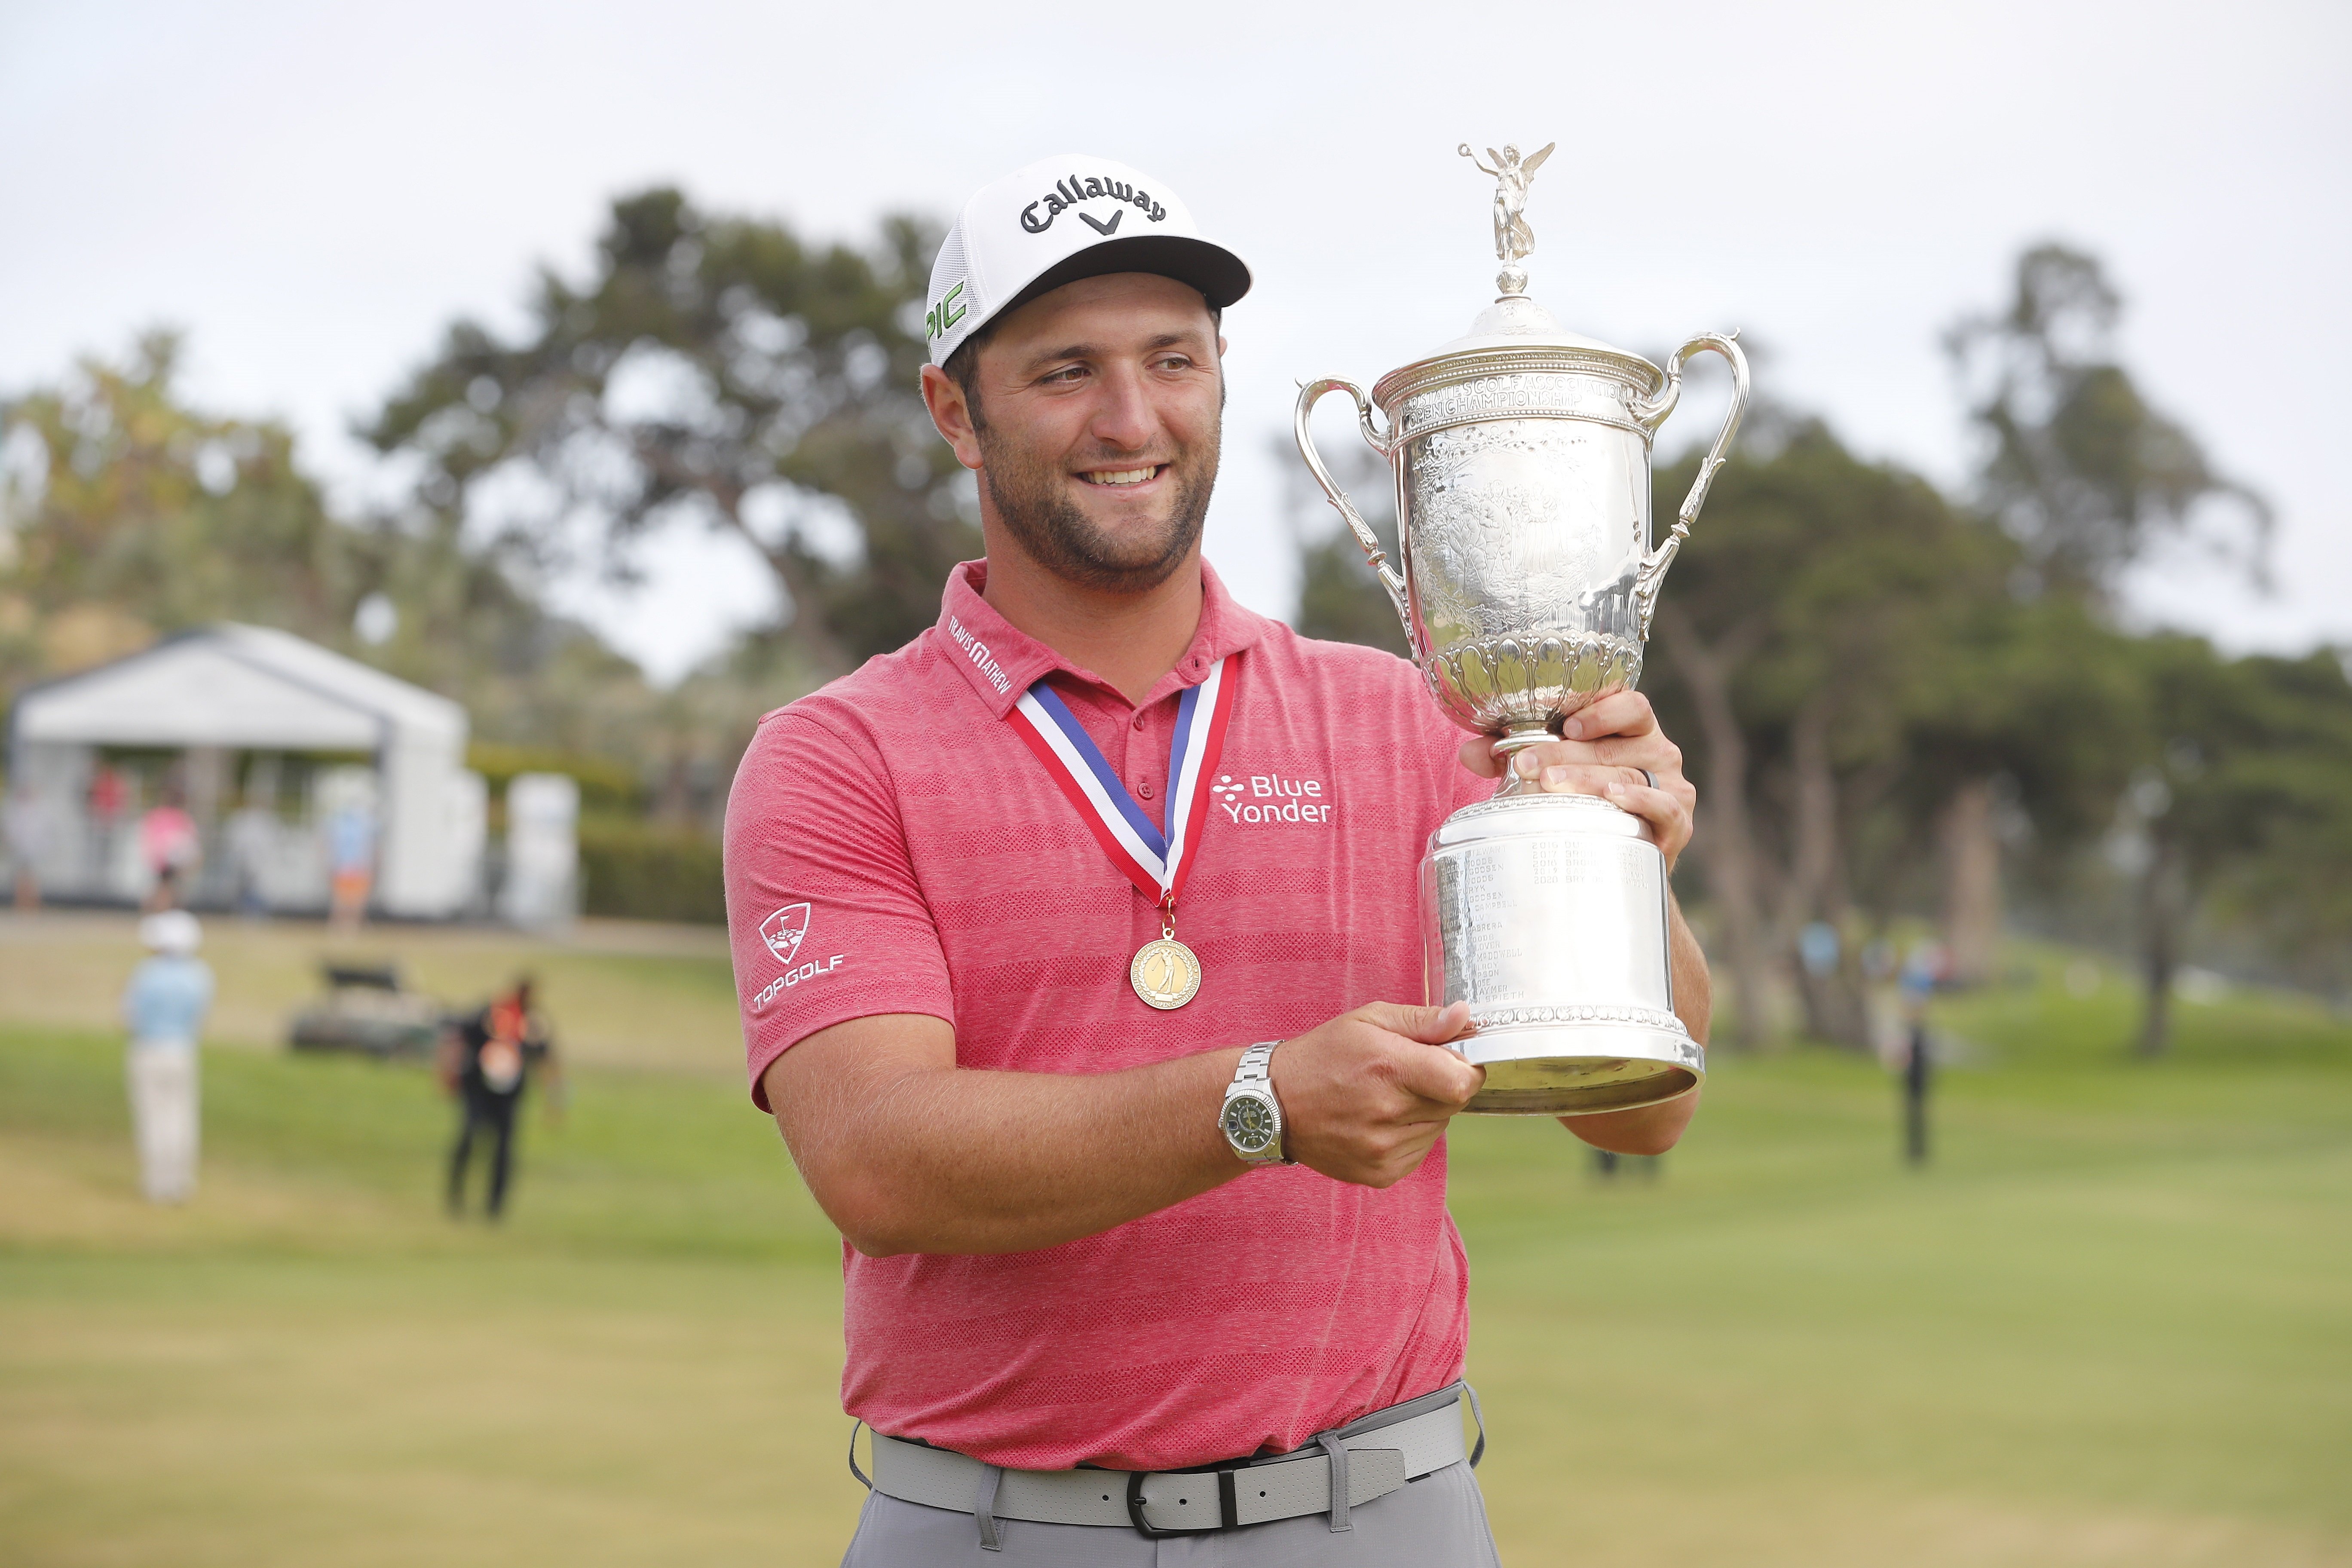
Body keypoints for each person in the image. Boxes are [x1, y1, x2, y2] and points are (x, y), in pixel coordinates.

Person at [722, 154, 1709, 1564]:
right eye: (1065, 370)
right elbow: (878, 1157)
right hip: (998, 1526)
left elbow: (1640, 1116)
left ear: (1222, 377)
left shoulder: (1408, 711)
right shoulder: (838, 754)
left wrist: (1621, 853)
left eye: (1171, 358)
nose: (1132, 418)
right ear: (955, 410)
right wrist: (1260, 1100)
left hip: (1386, 1510)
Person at [441, 977, 560, 1219]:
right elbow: (459, 1036)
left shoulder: (532, 1023)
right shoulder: (491, 1013)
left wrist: (555, 1100)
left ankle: (495, 1207)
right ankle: (456, 1197)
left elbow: (546, 1060)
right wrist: (449, 1072)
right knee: (469, 1136)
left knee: (505, 1150)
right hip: (478, 1088)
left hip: (509, 1095)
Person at [120, 910, 214, 1203]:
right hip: (183, 1050)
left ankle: (157, 1183)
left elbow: (128, 1016)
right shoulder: (199, 975)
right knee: (181, 1117)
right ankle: (180, 1180)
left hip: (149, 1048)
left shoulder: (146, 974)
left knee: (154, 1117)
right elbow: (201, 1017)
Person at [138, 787, 200, 912]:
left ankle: (159, 912)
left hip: (169, 861)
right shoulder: (176, 817)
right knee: (165, 889)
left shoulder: (170, 817)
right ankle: (157, 912)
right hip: (165, 861)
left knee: (167, 889)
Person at [325, 794, 377, 931]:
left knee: (348, 899)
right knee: (350, 899)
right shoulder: (362, 825)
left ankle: (346, 925)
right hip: (351, 866)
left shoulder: (341, 824)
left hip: (349, 866)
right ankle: (346, 925)